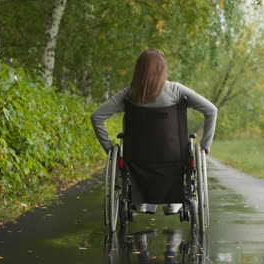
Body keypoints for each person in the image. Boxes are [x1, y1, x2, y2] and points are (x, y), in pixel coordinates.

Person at [90, 49, 217, 214]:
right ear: (163, 69)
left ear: (139, 70)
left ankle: (140, 199)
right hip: (174, 157)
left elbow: (97, 117)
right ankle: (173, 200)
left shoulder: (128, 94)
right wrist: (205, 144)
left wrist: (109, 148)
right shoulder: (177, 90)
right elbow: (211, 110)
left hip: (137, 158)